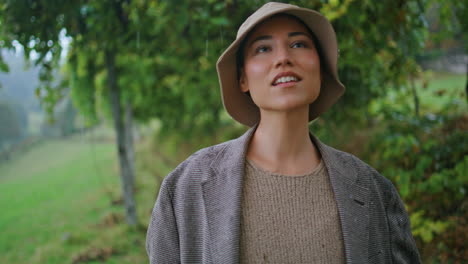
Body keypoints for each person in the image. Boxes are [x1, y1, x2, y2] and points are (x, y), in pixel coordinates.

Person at [146, 2, 421, 263]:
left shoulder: (374, 192)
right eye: (263, 49)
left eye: (299, 44)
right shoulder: (185, 187)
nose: (283, 58)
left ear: (322, 70)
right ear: (242, 79)